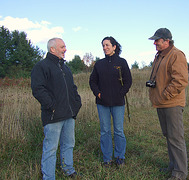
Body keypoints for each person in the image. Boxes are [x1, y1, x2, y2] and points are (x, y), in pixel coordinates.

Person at [31, 38, 82, 179]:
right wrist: (51, 106)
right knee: (51, 148)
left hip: (69, 114)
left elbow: (72, 88)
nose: (65, 49)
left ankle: (68, 169)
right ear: (52, 49)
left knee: (69, 144)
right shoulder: (41, 66)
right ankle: (48, 176)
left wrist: (77, 103)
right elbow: (37, 89)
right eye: (62, 47)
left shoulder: (66, 68)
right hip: (53, 116)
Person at [147, 28, 188, 180]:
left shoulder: (176, 55)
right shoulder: (160, 56)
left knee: (176, 138)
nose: (155, 43)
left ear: (167, 41)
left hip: (172, 104)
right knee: (169, 136)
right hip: (162, 103)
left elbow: (181, 81)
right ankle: (173, 166)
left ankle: (180, 173)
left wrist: (165, 95)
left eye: (157, 40)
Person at [89, 36, 132, 168]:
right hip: (102, 103)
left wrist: (120, 93)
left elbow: (128, 81)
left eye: (107, 45)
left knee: (118, 130)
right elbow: (92, 81)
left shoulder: (122, 62)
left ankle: (120, 157)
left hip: (118, 103)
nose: (105, 48)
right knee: (105, 131)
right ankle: (107, 158)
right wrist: (98, 93)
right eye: (103, 45)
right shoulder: (99, 64)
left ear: (114, 46)